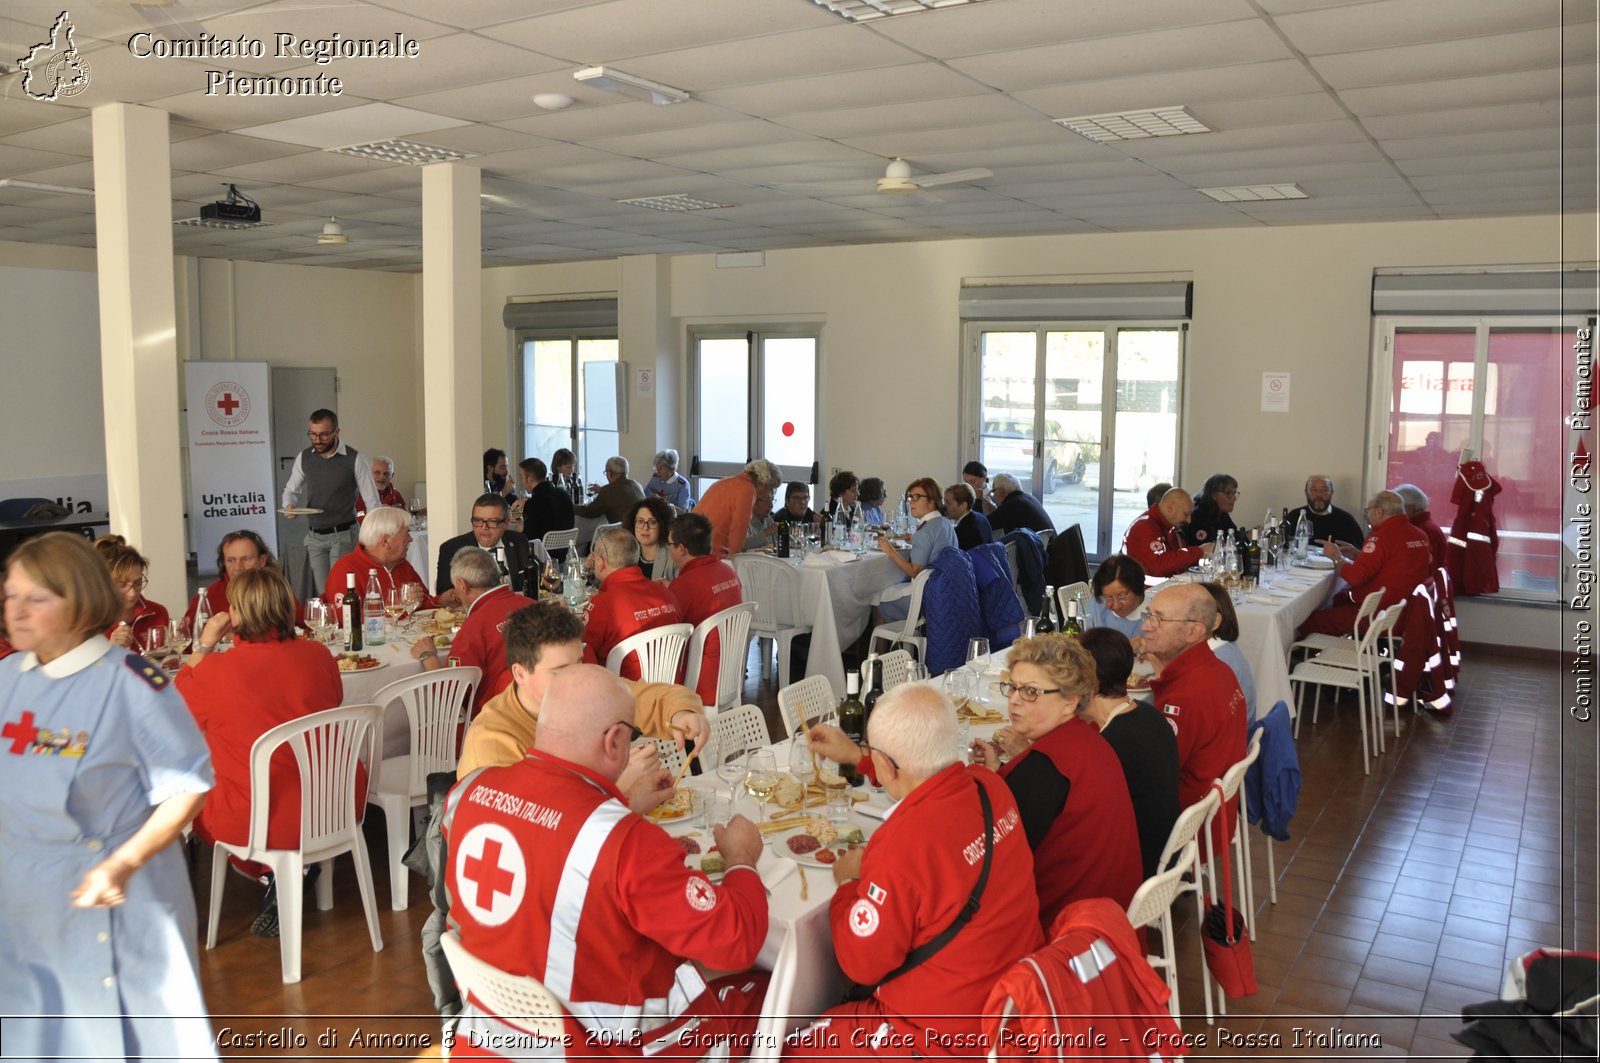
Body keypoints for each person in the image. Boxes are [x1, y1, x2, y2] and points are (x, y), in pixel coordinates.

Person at [444, 665, 768, 1053]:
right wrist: (741, 860)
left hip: (489, 1039)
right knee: (774, 990)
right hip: (603, 1049)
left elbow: (544, 842)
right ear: (615, 740)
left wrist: (620, 804)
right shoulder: (626, 842)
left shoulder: (467, 793)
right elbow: (737, 940)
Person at [0, 532, 216, 1060]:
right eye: (10, 596)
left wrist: (123, 864)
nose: (17, 612)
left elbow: (188, 787)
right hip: (27, 893)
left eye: (37, 598)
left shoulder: (131, 683)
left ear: (77, 600)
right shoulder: (6, 677)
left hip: (116, 891)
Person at [790, 684, 1043, 1056]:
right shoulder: (991, 786)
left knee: (790, 1048)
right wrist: (863, 757)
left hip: (940, 1030)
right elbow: (920, 779)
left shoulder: (900, 845)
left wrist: (847, 883)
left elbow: (861, 964)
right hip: (1012, 998)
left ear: (886, 764)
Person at [175, 567, 345, 937]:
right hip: (330, 804)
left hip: (254, 816)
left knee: (195, 795)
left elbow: (176, 706)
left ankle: (270, 871)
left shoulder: (217, 670)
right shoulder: (320, 655)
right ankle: (283, 872)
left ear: (237, 614)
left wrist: (203, 645)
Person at [970, 636, 1143, 926]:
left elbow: (991, 857)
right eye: (1012, 687)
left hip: (1065, 930)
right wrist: (998, 770)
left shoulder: (1046, 767)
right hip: (1110, 915)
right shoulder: (1089, 740)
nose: (1013, 699)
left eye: (1031, 692)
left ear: (1070, 701)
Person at [457, 601, 708, 780]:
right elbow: (538, 828)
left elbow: (649, 697)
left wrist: (681, 712)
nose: (577, 677)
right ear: (520, 674)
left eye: (579, 663)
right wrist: (619, 787)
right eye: (560, 671)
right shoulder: (492, 740)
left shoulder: (584, 694)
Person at [1076, 628, 1180, 881]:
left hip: (1136, 866)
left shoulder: (1111, 743)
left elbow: (1082, 817)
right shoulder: (1147, 712)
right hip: (1167, 852)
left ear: (1088, 681)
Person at [1139, 583, 1247, 823]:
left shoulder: (1187, 696)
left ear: (1194, 632)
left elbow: (1154, 774)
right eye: (1149, 615)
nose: (1145, 626)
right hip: (1217, 814)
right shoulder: (1219, 669)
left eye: (1159, 620)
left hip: (1187, 825)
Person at [412, 547, 533, 713]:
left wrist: (429, 657)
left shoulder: (475, 625)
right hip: (538, 708)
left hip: (495, 717)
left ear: (462, 585)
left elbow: (452, 694)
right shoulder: (533, 605)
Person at [1300, 490, 1433, 637]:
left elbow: (1355, 577)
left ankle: (1308, 655)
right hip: (1403, 611)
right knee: (1338, 599)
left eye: (1368, 510)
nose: (1367, 515)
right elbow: (1391, 563)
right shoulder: (1420, 535)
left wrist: (1336, 557)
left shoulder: (1381, 538)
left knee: (1308, 621)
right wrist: (1358, 555)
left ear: (1379, 512)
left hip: (1377, 615)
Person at [280, 408, 381, 592]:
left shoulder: (355, 459)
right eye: (313, 434)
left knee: (341, 589)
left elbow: (372, 503)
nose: (317, 440)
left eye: (324, 435)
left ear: (337, 432)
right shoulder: (305, 457)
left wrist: (372, 535)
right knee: (323, 591)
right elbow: (291, 489)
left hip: (343, 534)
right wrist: (289, 505)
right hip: (314, 535)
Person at [582, 527, 686, 679]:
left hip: (624, 695)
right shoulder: (667, 594)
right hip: (670, 691)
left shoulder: (602, 605)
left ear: (602, 562)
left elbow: (582, 652)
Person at [666, 513, 743, 705]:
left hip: (701, 676)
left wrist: (666, 595)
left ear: (681, 549)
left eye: (669, 544)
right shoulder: (727, 571)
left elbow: (670, 633)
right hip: (730, 669)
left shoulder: (685, 584)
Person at [184, 529, 303, 630]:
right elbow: (188, 641)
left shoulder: (278, 591)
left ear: (262, 560)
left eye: (246, 559)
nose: (238, 567)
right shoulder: (208, 597)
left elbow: (303, 628)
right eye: (231, 560)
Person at [875, 477, 955, 623]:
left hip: (927, 597)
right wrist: (916, 541)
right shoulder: (944, 523)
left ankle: (885, 644)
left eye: (917, 497)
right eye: (910, 497)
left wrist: (890, 550)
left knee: (876, 598)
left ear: (932, 502)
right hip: (947, 591)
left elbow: (914, 571)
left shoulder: (924, 530)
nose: (911, 501)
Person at [323, 505, 430, 608]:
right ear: (386, 541)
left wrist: (440, 600)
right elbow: (348, 618)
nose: (411, 539)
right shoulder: (346, 570)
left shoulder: (401, 564)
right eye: (407, 533)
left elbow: (423, 602)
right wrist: (400, 604)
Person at [434, 493, 533, 599]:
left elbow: (536, 576)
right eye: (478, 521)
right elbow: (444, 594)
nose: (484, 527)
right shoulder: (452, 549)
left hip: (515, 610)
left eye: (492, 521)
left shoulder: (518, 541)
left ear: (506, 523)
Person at [697, 458, 785, 558]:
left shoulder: (724, 482)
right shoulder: (747, 489)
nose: (769, 492)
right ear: (763, 483)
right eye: (770, 488)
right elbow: (738, 530)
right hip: (713, 552)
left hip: (695, 546)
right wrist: (734, 561)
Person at [1199, 582, 1259, 725]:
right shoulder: (1225, 648)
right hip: (1238, 731)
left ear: (1214, 621)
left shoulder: (1216, 662)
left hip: (1230, 738)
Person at [1122, 487, 1209, 578]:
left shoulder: (1171, 529)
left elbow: (1178, 562)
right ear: (1170, 507)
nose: (1189, 520)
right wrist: (1200, 551)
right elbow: (1158, 565)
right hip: (1147, 591)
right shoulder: (1144, 527)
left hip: (1166, 588)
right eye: (1186, 514)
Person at [100, 542, 169, 651]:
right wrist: (111, 649)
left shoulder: (158, 612)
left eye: (137, 583)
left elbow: (168, 660)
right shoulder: (90, 622)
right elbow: (83, 667)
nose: (132, 593)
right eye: (122, 585)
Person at [1284, 474, 1365, 550]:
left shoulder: (1346, 520)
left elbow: (1359, 554)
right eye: (1314, 490)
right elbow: (1282, 546)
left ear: (1331, 492)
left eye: (1324, 490)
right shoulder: (1294, 516)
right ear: (1306, 492)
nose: (1319, 494)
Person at [514, 456, 577, 548]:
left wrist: (521, 530)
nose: (521, 481)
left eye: (521, 477)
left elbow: (530, 539)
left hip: (543, 555)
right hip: (565, 551)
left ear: (530, 479)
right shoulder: (564, 494)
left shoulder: (533, 503)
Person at [1082, 553, 1149, 640]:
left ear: (1138, 589)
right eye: (1108, 597)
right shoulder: (1096, 605)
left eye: (1122, 596)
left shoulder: (1155, 617)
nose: (1116, 605)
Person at [575, 455, 647, 526]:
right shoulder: (637, 485)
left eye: (605, 473)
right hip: (639, 530)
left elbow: (588, 511)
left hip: (623, 533)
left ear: (610, 473)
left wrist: (569, 506)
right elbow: (619, 495)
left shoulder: (608, 491)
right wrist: (602, 490)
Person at [628, 496, 679, 583]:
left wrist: (671, 588)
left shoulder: (674, 557)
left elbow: (685, 592)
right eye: (640, 521)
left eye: (652, 522)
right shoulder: (626, 552)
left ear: (662, 525)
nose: (645, 527)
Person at [1395, 482, 1446, 567]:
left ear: (1409, 509)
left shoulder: (1421, 531)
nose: (1393, 512)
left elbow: (1424, 567)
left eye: (1396, 507)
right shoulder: (1428, 527)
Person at [1182, 473, 1239, 547]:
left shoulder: (1221, 513)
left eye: (1234, 493)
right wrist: (1245, 537)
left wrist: (1247, 535)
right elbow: (1209, 549)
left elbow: (1232, 535)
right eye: (1229, 493)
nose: (1234, 498)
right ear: (1213, 494)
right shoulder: (1198, 516)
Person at [988, 472, 1055, 536]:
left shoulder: (1012, 505)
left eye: (993, 491)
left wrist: (979, 502)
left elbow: (982, 524)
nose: (993, 495)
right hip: (1049, 545)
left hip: (1040, 547)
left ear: (1001, 492)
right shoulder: (1028, 497)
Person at [943, 481, 994, 550]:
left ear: (963, 505)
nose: (944, 506)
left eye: (948, 503)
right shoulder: (980, 517)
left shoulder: (962, 532)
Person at [356, 455, 405, 520]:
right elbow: (356, 515)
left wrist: (397, 511)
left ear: (392, 476)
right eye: (377, 472)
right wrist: (376, 511)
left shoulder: (396, 494)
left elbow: (406, 517)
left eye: (386, 473)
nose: (382, 477)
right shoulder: (356, 494)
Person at [743, 488, 780, 552]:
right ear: (753, 502)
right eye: (767, 501)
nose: (771, 505)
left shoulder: (768, 518)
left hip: (768, 559)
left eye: (772, 500)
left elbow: (776, 545)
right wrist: (766, 532)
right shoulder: (743, 519)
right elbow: (743, 546)